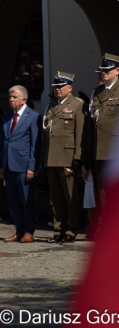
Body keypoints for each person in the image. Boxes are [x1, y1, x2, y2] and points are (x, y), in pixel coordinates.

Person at [43, 72, 87, 243]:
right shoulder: (51, 107)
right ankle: (58, 229)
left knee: (70, 197)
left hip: (67, 157)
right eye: (55, 87)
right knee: (55, 198)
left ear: (70, 88)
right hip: (51, 158)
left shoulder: (77, 105)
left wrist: (78, 158)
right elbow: (46, 135)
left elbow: (80, 134)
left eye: (61, 87)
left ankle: (71, 229)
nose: (57, 90)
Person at [89, 53, 119, 209]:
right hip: (99, 150)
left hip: (116, 149)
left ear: (117, 71)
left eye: (107, 70)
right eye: (102, 70)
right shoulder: (97, 92)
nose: (104, 73)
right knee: (101, 192)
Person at [0, 85, 40, 243]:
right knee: (13, 200)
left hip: (24, 166)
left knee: (26, 200)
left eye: (14, 97)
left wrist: (32, 166)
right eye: (10, 97)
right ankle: (19, 229)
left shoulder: (33, 116)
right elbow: (3, 141)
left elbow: (35, 144)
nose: (11, 100)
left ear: (24, 99)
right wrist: (2, 165)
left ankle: (29, 231)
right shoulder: (7, 117)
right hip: (9, 165)